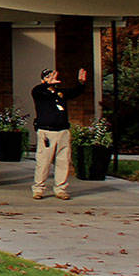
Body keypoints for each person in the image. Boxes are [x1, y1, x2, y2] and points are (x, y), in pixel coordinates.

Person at [30, 67, 87, 200]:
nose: (52, 78)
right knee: (43, 161)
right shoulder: (39, 92)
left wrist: (81, 83)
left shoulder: (60, 92)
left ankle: (60, 189)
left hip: (62, 131)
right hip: (47, 132)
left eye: (52, 76)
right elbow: (40, 91)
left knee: (63, 161)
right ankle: (39, 188)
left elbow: (75, 92)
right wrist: (48, 83)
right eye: (48, 76)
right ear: (43, 80)